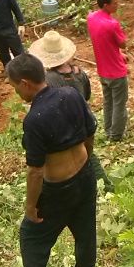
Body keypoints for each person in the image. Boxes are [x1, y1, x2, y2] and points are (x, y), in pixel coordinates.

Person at [6, 53, 97, 267]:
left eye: (14, 87)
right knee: (85, 231)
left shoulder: (34, 120)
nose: (15, 92)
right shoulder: (71, 94)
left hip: (58, 189)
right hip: (84, 175)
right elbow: (90, 132)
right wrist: (86, 161)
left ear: (25, 83)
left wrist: (31, 206)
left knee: (31, 237)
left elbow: (36, 171)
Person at [29, 30, 114, 192]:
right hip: (82, 118)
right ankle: (103, 186)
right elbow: (87, 95)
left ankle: (104, 186)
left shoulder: (49, 80)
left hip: (64, 125)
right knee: (86, 153)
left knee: (85, 157)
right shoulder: (79, 73)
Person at [87, 0, 128, 142]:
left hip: (103, 71)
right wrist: (121, 49)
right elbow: (123, 43)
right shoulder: (112, 24)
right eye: (115, 3)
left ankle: (108, 130)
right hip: (117, 73)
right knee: (119, 104)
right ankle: (116, 136)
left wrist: (118, 53)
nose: (118, 5)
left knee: (108, 101)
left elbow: (105, 42)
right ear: (105, 5)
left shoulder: (91, 18)